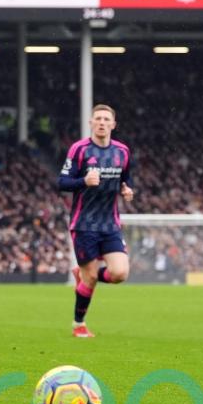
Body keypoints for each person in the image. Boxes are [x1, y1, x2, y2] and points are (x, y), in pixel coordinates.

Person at [58, 104, 134, 338]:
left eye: (106, 119)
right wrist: (83, 181)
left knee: (120, 273)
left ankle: (83, 275)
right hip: (84, 224)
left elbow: (125, 178)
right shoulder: (79, 150)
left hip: (110, 223)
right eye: (98, 118)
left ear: (113, 124)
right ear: (91, 123)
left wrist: (126, 190)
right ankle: (78, 324)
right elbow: (61, 182)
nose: (101, 122)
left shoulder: (122, 151)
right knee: (91, 278)